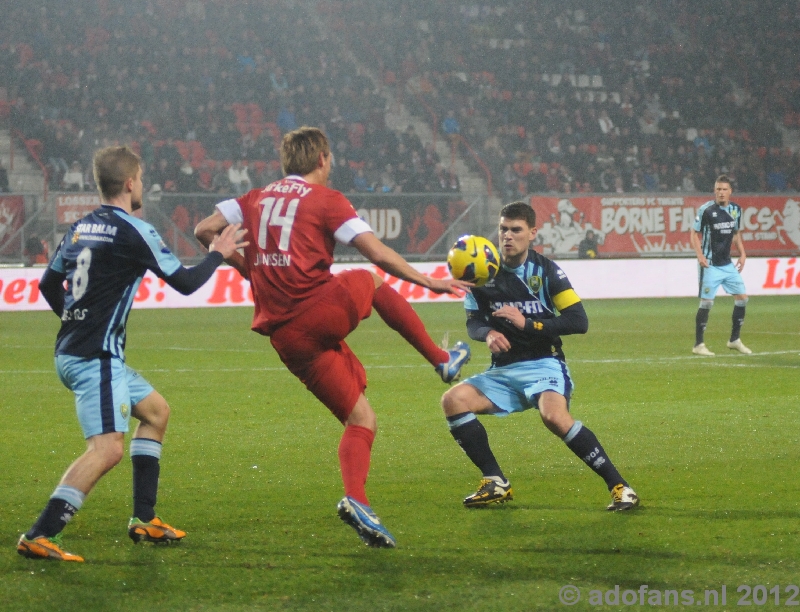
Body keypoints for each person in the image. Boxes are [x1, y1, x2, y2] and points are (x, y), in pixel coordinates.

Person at [194, 126, 472, 549]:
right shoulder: (326, 199)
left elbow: (203, 229)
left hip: (286, 338)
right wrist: (427, 282)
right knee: (371, 279)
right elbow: (375, 251)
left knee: (362, 419)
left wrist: (247, 267)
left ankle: (357, 501)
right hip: (316, 313)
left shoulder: (252, 198)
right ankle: (440, 359)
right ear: (323, 158)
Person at [18, 146, 248, 563]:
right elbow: (186, 282)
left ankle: (145, 518)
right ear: (130, 183)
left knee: (156, 412)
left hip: (76, 350)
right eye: (140, 178)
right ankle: (40, 533)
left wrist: (76, 319)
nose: (141, 184)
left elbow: (48, 286)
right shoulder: (135, 229)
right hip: (94, 358)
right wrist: (219, 253)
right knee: (107, 449)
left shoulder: (79, 228)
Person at [440, 202, 640, 512]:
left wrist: (527, 323)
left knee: (554, 416)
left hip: (545, 364)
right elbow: (473, 322)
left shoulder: (547, 272)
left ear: (532, 233)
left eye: (516, 230)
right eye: (503, 229)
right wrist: (488, 335)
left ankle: (620, 486)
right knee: (452, 401)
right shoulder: (481, 272)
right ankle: (495, 480)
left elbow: (578, 321)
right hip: (503, 371)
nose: (508, 236)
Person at [690, 174, 751, 356]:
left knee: (742, 298)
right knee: (707, 303)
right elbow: (694, 234)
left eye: (724, 189)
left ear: (730, 191)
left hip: (727, 264)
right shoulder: (706, 210)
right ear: (714, 191)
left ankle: (734, 340)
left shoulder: (736, 210)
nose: (721, 193)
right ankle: (698, 344)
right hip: (710, 264)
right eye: (718, 189)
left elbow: (735, 233)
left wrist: (742, 253)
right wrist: (700, 256)